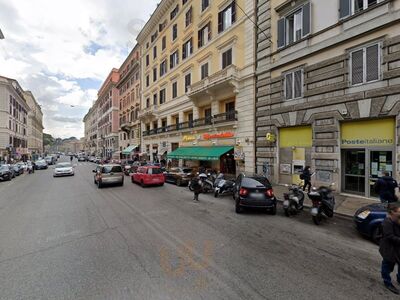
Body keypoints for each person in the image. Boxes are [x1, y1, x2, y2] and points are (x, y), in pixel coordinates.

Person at [380, 202, 400, 294]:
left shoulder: (397, 219)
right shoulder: (387, 222)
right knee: (387, 266)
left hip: (397, 249)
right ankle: (387, 282)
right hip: (389, 250)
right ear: (392, 212)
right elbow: (390, 237)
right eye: (399, 211)